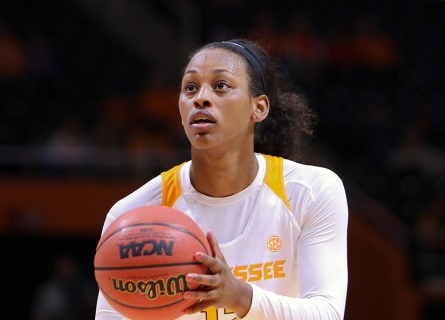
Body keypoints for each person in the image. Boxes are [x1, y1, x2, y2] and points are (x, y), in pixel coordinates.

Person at [95, 39, 348, 319]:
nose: (200, 98)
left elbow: (327, 313)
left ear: (259, 108)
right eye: (190, 87)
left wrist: (240, 297)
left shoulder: (311, 191)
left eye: (221, 86)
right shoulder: (134, 215)